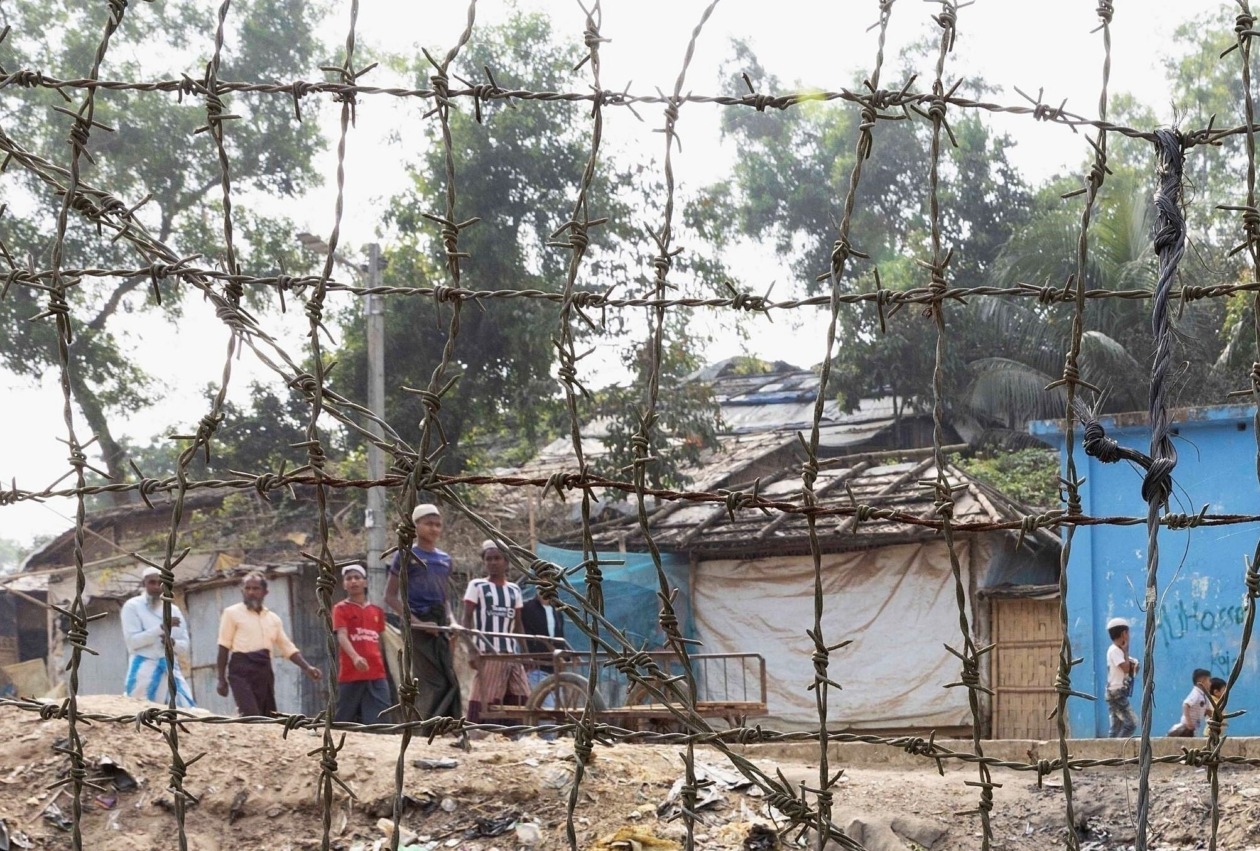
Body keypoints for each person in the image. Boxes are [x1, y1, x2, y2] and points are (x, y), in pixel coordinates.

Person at [384, 504, 462, 720]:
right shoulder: (406, 555)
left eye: (438, 525)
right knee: (431, 681)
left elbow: (444, 598)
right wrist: (418, 623)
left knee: (449, 678)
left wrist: (452, 621)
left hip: (440, 624)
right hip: (417, 625)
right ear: (416, 527)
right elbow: (390, 597)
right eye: (428, 524)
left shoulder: (444, 559)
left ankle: (448, 727)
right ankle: (425, 727)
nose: (434, 529)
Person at [215, 571, 321, 716]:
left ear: (265, 592)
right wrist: (221, 679)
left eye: (255, 588)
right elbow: (223, 646)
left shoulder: (273, 619)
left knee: (267, 715)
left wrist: (307, 667)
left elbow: (287, 647)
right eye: (247, 588)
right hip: (241, 670)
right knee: (250, 714)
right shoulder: (231, 613)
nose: (251, 592)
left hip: (263, 671)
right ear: (242, 591)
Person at [462, 540, 530, 725]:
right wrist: (471, 649)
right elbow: (466, 620)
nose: (493, 562)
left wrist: (525, 652)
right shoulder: (477, 586)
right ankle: (474, 732)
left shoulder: (514, 590)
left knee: (521, 694)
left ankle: (513, 733)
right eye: (488, 559)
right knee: (486, 694)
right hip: (489, 652)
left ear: (506, 562)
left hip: (510, 653)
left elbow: (518, 624)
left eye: (497, 558)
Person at [121, 566, 196, 707]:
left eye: (160, 583)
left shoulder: (173, 610)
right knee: (140, 711)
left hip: (169, 667)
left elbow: (184, 646)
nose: (156, 587)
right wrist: (161, 628)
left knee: (186, 711)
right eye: (152, 582)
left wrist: (172, 643)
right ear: (144, 584)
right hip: (143, 668)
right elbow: (133, 642)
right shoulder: (132, 607)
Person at [332, 563, 390, 725]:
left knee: (380, 721)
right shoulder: (340, 609)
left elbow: (378, 641)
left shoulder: (376, 611)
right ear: (344, 584)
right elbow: (342, 636)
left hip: (376, 673)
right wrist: (355, 657)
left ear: (365, 582)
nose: (353, 581)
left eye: (357, 577)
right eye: (349, 578)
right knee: (343, 720)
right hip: (351, 674)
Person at [520, 590, 566, 739]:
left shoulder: (557, 611)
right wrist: (526, 655)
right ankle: (548, 742)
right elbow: (523, 634)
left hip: (554, 668)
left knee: (559, 709)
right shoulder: (527, 608)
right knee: (547, 708)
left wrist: (564, 656)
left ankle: (550, 740)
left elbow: (560, 637)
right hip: (536, 664)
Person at [1105, 616, 1139, 738]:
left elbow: (1132, 668)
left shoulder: (1117, 650)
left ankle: (1110, 750)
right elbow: (1125, 667)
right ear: (1124, 633)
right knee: (1132, 723)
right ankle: (1120, 747)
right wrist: (1126, 652)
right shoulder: (1115, 650)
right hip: (1116, 692)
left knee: (1116, 726)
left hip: (1116, 691)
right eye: (1128, 632)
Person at [1167, 668, 1211, 737]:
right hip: (1187, 726)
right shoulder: (1196, 693)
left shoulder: (1204, 696)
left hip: (1194, 727)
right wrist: (1189, 722)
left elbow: (1207, 711)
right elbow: (1186, 705)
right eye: (1209, 680)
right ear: (1202, 681)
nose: (1210, 683)